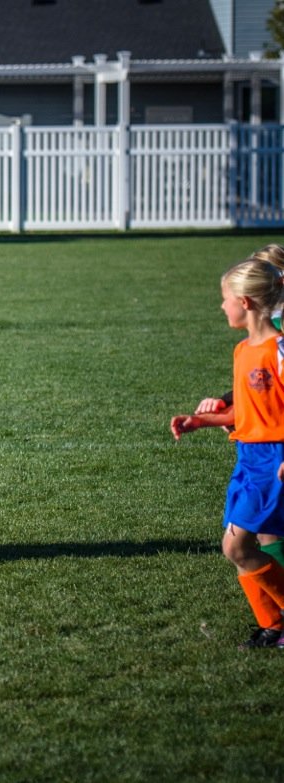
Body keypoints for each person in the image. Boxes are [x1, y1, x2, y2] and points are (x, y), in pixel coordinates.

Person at [170, 258, 284, 649]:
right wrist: (201, 421)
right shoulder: (242, 351)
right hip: (247, 458)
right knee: (240, 548)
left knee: (235, 546)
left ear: (246, 302)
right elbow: (246, 410)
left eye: (225, 298)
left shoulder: (278, 350)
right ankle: (273, 626)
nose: (222, 306)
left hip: (274, 459)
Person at [190, 244, 284, 569]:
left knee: (246, 543)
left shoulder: (277, 344)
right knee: (254, 540)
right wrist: (214, 412)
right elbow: (255, 391)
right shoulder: (245, 348)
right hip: (251, 451)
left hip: (274, 451)